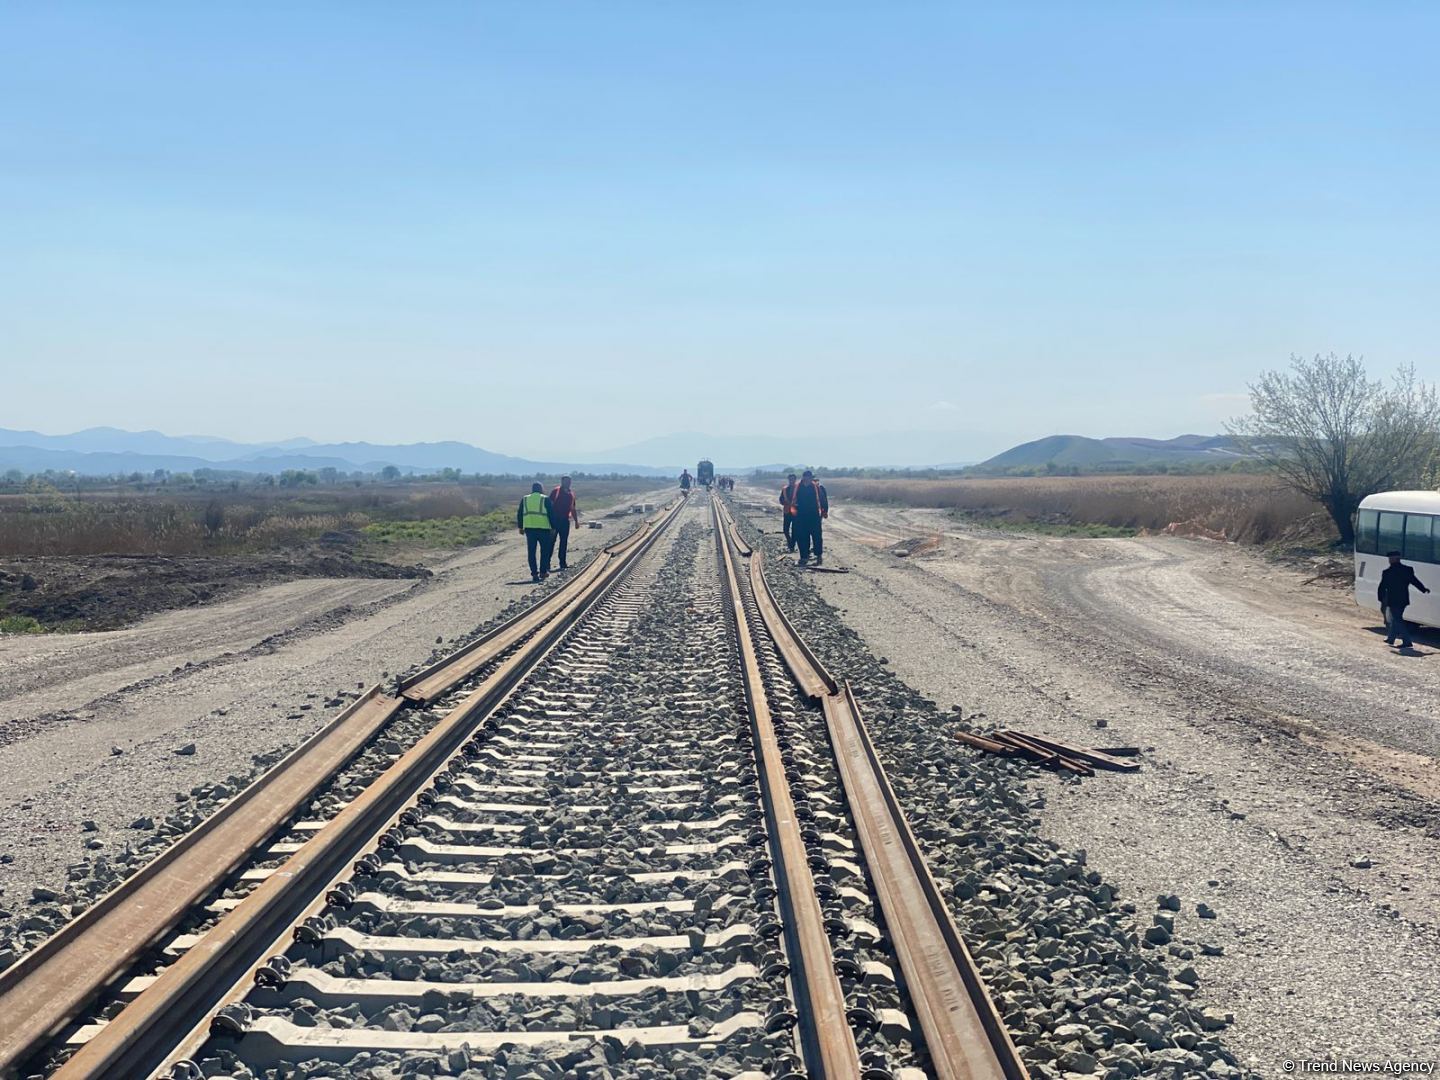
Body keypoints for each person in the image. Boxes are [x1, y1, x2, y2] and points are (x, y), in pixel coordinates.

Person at [1378, 550, 1430, 648]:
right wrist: (1423, 589)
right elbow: (1415, 581)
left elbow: (1382, 586)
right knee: (1395, 618)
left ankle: (1407, 641)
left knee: (1397, 619)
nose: (1389, 560)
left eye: (1390, 559)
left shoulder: (1387, 572)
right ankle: (1391, 638)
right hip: (1403, 599)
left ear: (1393, 559)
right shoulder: (1407, 570)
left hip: (1393, 600)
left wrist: (1381, 598)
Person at [516, 481, 555, 583]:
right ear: (541, 489)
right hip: (544, 529)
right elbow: (551, 514)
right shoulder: (545, 499)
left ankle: (534, 574)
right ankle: (543, 572)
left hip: (530, 529)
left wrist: (520, 527)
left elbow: (519, 513)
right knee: (545, 551)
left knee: (531, 552)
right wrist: (553, 527)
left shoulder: (525, 499)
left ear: (532, 489)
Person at [789, 469, 829, 567]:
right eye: (805, 477)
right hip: (801, 516)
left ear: (811, 478)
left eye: (809, 478)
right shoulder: (798, 487)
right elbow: (792, 500)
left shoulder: (817, 487)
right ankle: (804, 557)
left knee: (817, 537)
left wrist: (824, 511)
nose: (807, 479)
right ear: (803, 477)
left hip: (814, 516)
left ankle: (818, 556)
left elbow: (823, 500)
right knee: (802, 537)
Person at [548, 475, 580, 572]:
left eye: (569, 481)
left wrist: (576, 521)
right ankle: (546, 564)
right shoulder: (556, 492)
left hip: (565, 521)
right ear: (562, 482)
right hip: (555, 521)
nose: (568, 483)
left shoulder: (571, 494)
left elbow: (573, 508)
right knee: (551, 542)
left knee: (564, 542)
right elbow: (549, 506)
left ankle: (562, 563)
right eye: (566, 481)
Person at [778, 473, 798, 552]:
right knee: (785, 530)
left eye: (793, 479)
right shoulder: (785, 489)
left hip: (796, 512)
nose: (791, 481)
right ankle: (790, 543)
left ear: (795, 479)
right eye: (790, 479)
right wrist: (784, 502)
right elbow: (781, 499)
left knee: (794, 530)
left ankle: (792, 546)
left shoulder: (799, 488)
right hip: (787, 511)